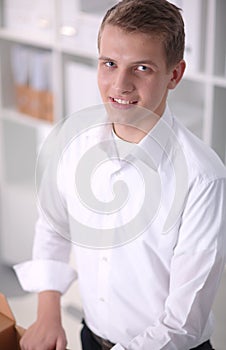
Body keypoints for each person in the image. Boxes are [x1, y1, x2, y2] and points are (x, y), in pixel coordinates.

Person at [14, 0, 226, 349]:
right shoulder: (74, 146)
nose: (120, 84)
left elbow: (183, 322)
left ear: (174, 74)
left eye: (141, 68)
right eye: (109, 64)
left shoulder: (203, 178)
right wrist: (48, 311)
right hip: (92, 336)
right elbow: (52, 225)